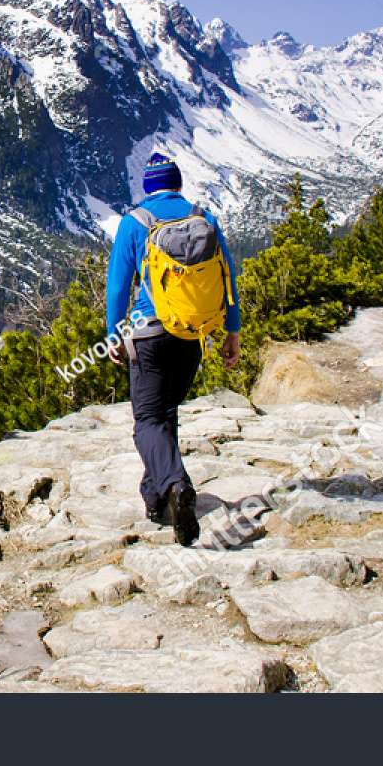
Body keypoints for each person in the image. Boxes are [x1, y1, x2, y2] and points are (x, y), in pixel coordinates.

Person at [106, 151, 241, 545]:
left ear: (147, 189)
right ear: (177, 184)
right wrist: (230, 332)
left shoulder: (134, 224)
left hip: (148, 333)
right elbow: (226, 276)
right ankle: (156, 497)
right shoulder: (203, 218)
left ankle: (176, 485)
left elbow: (118, 288)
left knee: (148, 421)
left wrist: (115, 334)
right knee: (165, 415)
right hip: (191, 334)